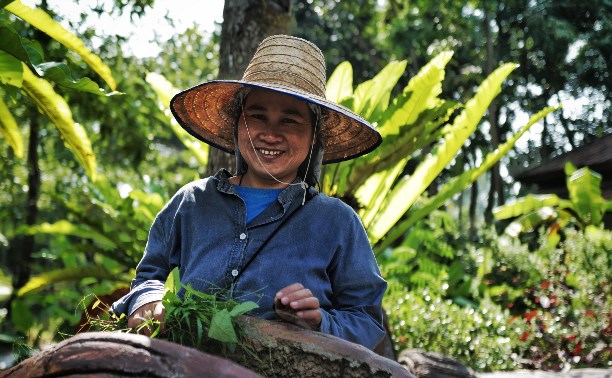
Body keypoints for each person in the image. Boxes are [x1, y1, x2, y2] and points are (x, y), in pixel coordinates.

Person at [111, 35, 387, 350]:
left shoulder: (337, 222)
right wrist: (148, 301)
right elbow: (150, 275)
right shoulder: (190, 204)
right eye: (257, 116)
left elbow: (366, 319)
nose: (270, 134)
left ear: (314, 136)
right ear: (237, 124)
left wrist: (319, 323)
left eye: (290, 120)